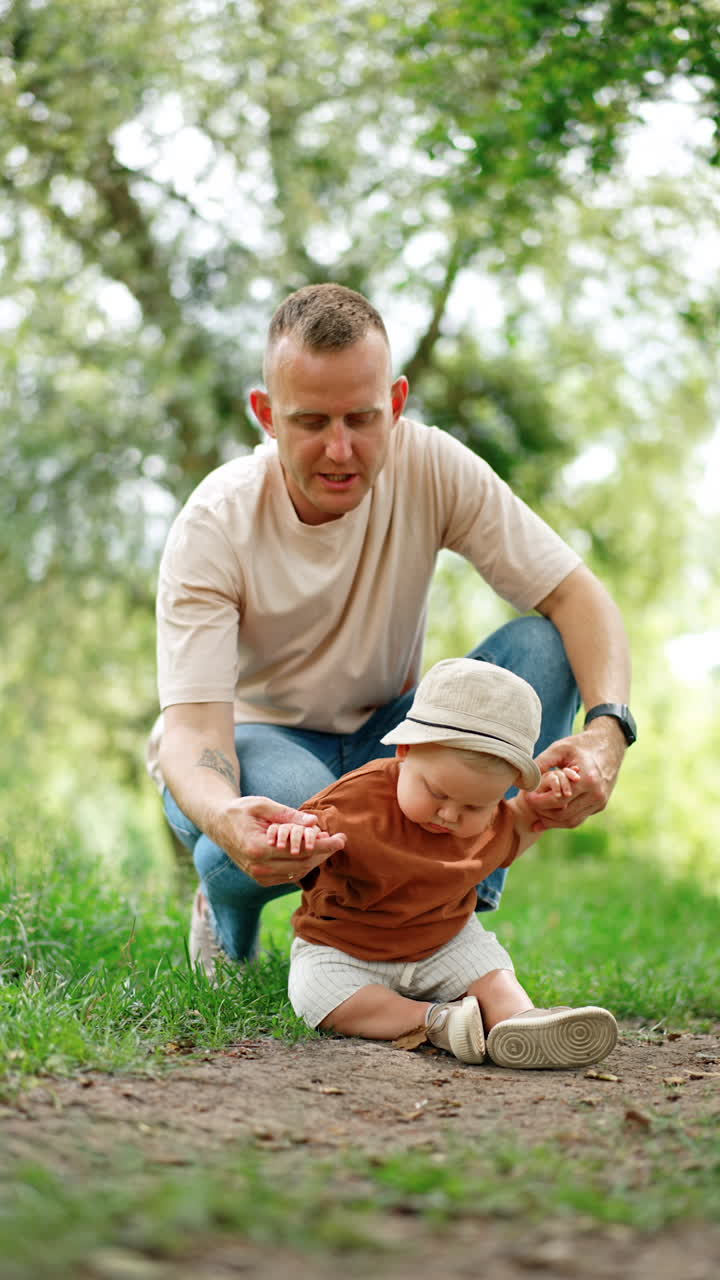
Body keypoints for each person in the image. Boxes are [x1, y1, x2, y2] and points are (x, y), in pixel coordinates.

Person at [148, 282, 635, 973]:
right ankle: (226, 905)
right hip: (257, 742)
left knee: (543, 647)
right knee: (298, 816)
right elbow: (195, 732)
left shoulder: (433, 465)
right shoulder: (215, 523)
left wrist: (607, 733)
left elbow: (581, 599)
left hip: (394, 738)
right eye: (312, 422)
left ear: (397, 404)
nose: (341, 450)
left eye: (362, 419)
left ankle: (440, 919)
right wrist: (226, 818)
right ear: (266, 416)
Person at [280, 658, 618, 1069]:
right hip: (346, 948)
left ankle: (522, 1022)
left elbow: (516, 830)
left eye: (474, 805)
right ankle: (437, 1021)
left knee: (491, 971)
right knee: (319, 993)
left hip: (443, 943)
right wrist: (298, 842)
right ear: (406, 751)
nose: (450, 815)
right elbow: (299, 851)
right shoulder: (352, 803)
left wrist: (541, 809)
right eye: (437, 793)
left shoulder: (493, 817)